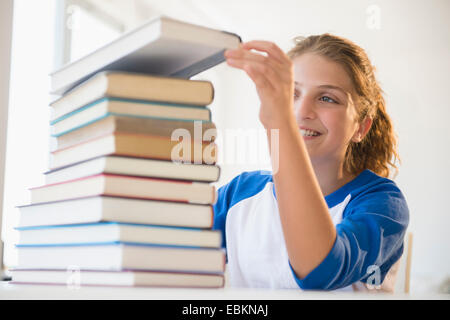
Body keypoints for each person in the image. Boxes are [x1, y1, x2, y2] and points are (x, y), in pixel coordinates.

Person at [213, 34, 409, 291]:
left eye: (327, 98)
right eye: (291, 94)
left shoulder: (382, 204)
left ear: (361, 127)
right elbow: (169, 258)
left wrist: (280, 123)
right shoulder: (239, 193)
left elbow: (320, 271)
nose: (302, 111)